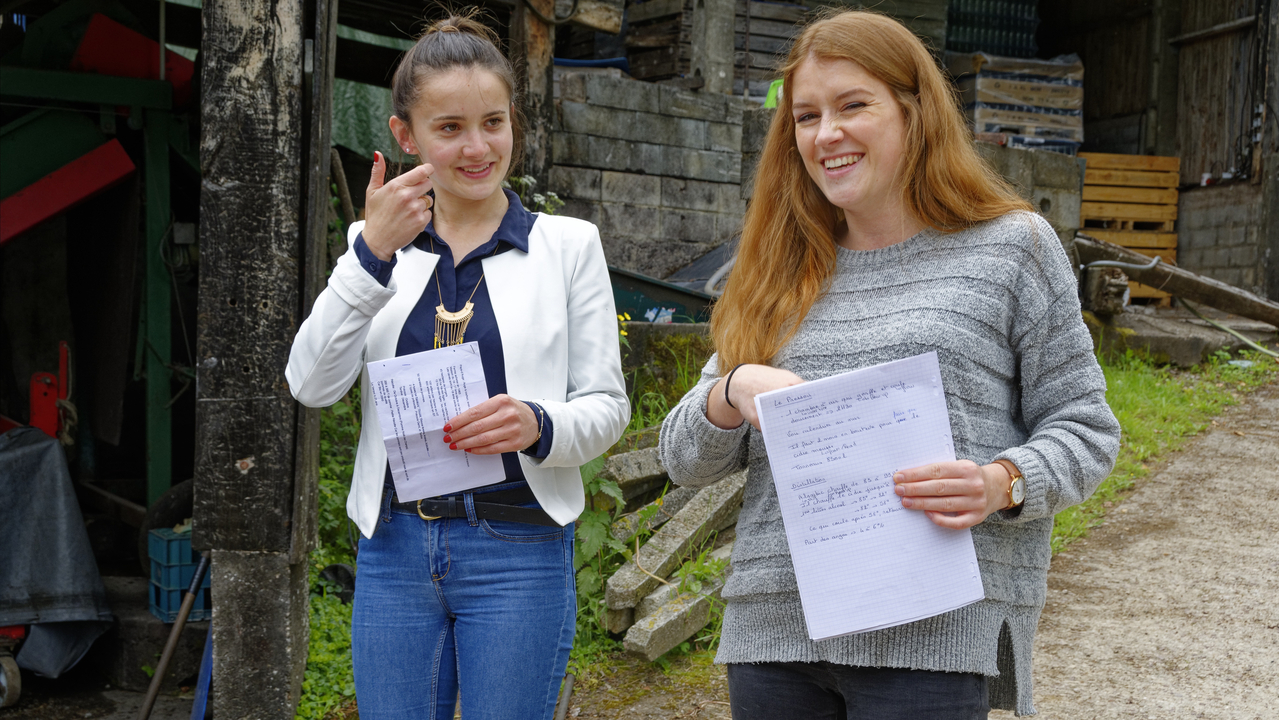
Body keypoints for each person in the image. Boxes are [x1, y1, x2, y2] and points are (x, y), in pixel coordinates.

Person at [659, 10, 1120, 719]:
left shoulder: (1011, 248)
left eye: (852, 106)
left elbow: (1085, 426)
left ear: (915, 111)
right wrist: (730, 390)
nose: (824, 134)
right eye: (805, 116)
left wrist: (1002, 482)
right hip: (775, 632)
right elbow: (684, 458)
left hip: (930, 636)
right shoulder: (777, 271)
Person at [285, 14, 629, 720]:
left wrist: (535, 422)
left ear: (512, 122)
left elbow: (605, 405)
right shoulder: (372, 245)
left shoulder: (567, 246)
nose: (477, 148)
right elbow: (311, 385)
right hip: (396, 550)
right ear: (405, 135)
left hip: (520, 547)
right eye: (448, 129)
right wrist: (371, 255)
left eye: (492, 123)